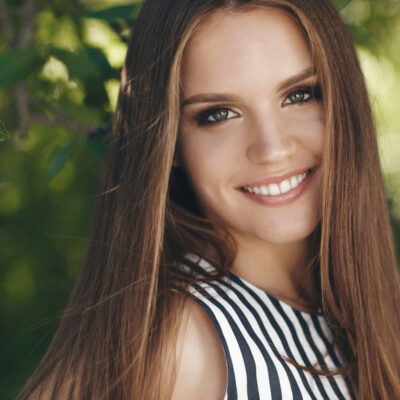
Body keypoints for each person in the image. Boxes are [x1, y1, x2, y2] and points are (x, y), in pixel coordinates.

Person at [16, 0, 400, 399]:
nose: (272, 149)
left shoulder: (362, 311)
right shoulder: (179, 343)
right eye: (219, 114)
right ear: (171, 143)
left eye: (300, 95)